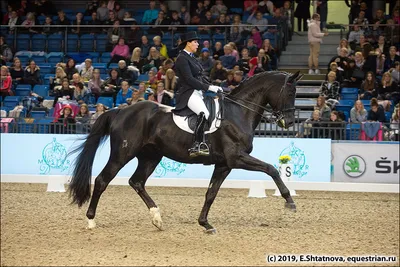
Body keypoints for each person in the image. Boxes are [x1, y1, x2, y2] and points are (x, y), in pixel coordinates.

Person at [174, 31, 223, 157]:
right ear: (188, 43)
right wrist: (208, 87)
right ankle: (197, 144)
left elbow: (200, 76)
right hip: (188, 92)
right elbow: (189, 79)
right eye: (195, 42)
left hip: (198, 91)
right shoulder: (181, 58)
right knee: (204, 113)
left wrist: (214, 87)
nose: (197, 44)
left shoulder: (191, 57)